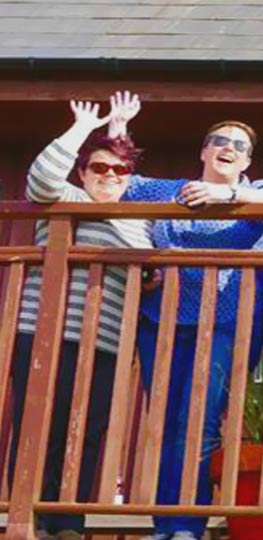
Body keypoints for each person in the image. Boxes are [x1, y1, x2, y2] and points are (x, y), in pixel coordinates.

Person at [119, 103, 263, 540]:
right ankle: (166, 523)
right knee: (162, 419)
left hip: (226, 325)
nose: (229, 149)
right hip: (162, 321)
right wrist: (118, 130)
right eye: (221, 141)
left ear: (248, 161)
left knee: (196, 419)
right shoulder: (166, 191)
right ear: (203, 150)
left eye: (240, 146)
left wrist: (227, 196)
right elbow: (116, 180)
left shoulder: (258, 190)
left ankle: (187, 524)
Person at [7, 94, 152, 540]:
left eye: (118, 171)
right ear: (83, 173)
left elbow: (121, 172)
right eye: (98, 169)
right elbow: (42, 177)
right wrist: (82, 130)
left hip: (104, 342)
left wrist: (120, 134)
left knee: (87, 429)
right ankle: (27, 518)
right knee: (39, 425)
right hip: (46, 332)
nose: (109, 176)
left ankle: (67, 521)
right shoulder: (66, 196)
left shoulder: (138, 221)